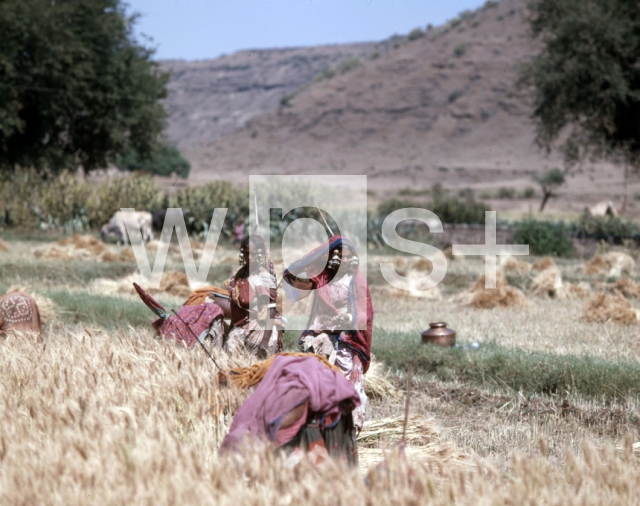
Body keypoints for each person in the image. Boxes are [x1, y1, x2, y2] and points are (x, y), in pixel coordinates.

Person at [283, 236, 373, 431]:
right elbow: (301, 283)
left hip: (347, 336)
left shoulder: (355, 282)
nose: (344, 260)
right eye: (340, 256)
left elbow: (365, 312)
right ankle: (317, 421)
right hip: (322, 330)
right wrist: (306, 264)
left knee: (346, 376)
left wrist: (349, 318)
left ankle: (348, 425)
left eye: (348, 257)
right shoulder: (324, 279)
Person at [225, 234, 284, 357]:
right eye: (247, 253)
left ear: (259, 254)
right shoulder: (240, 275)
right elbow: (235, 308)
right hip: (241, 327)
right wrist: (229, 331)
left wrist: (265, 341)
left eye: (253, 253)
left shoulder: (264, 277)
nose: (250, 257)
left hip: (261, 327)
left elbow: (271, 310)